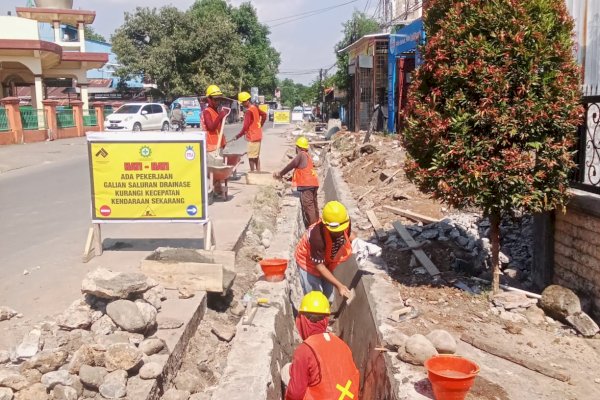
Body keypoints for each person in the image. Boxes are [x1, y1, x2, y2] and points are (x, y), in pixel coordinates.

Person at [284, 291, 359, 400]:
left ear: (302, 320)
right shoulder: (341, 344)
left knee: (286, 371)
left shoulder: (305, 350)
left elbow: (295, 393)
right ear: (326, 320)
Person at [295, 201, 356, 301]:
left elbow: (348, 235)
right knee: (315, 297)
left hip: (326, 262)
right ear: (326, 225)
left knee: (328, 296)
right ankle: (314, 315)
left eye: (341, 229)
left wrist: (360, 243)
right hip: (308, 264)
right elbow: (320, 267)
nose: (339, 232)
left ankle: (325, 312)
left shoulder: (344, 222)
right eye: (335, 231)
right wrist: (339, 286)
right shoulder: (317, 237)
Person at [273, 137, 319, 228]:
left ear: (298, 147)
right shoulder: (307, 156)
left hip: (307, 185)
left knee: (309, 207)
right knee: (314, 205)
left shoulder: (301, 155)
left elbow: (291, 165)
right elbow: (302, 171)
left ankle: (314, 229)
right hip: (313, 183)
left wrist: (280, 174)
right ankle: (318, 224)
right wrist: (290, 178)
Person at [234, 92, 266, 172]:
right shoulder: (254, 107)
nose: (242, 105)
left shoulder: (248, 111)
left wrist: (238, 135)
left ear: (247, 101)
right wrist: (260, 125)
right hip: (258, 135)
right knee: (256, 156)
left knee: (251, 157)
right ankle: (258, 172)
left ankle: (252, 173)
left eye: (243, 103)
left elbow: (245, 127)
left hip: (252, 137)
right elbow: (264, 115)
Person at [201, 84, 229, 154]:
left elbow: (218, 128)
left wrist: (223, 142)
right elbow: (210, 127)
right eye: (215, 100)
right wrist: (220, 116)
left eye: (219, 99)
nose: (217, 102)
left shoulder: (216, 110)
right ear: (209, 99)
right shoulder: (207, 112)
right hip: (212, 148)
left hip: (218, 145)